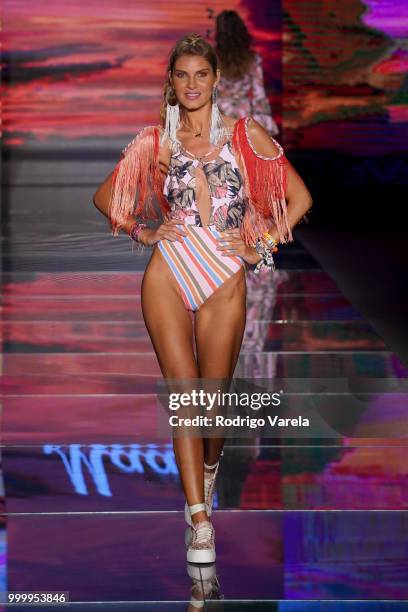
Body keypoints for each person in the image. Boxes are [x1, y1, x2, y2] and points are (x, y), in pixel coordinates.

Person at [93, 32, 312, 564]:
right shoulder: (158, 140)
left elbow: (299, 197)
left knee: (211, 407)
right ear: (171, 81)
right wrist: (145, 234)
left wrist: (258, 243)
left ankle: (209, 469)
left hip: (225, 276)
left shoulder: (244, 134)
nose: (192, 84)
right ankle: (199, 519)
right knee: (186, 399)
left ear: (216, 80)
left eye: (201, 74)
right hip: (169, 271)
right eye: (182, 75)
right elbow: (105, 196)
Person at [215, 10, 279, 135]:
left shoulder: (211, 58)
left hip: (219, 115)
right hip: (243, 115)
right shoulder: (252, 59)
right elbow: (259, 94)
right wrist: (265, 125)